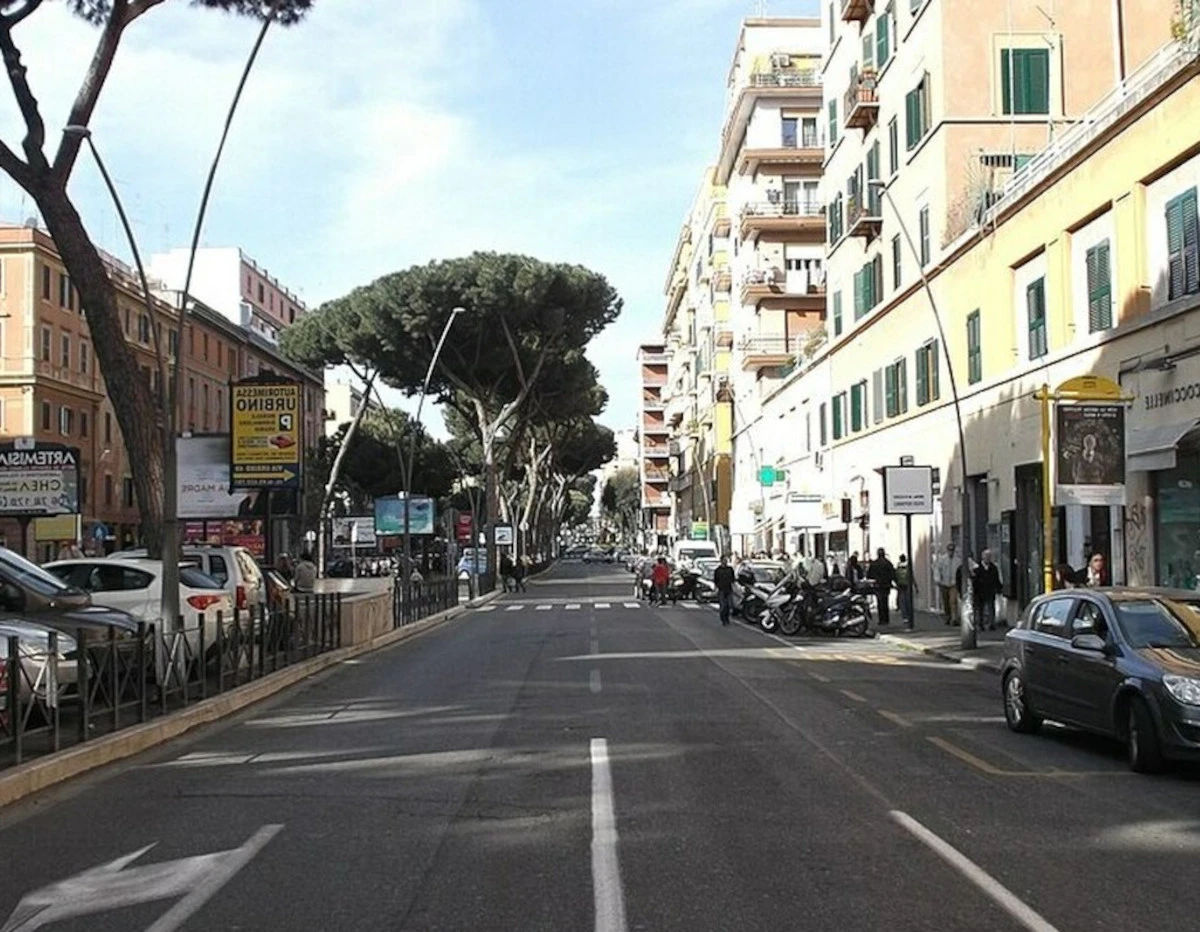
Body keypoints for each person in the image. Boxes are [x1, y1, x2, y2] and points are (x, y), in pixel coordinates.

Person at [972, 549, 1003, 631]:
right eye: (986, 557)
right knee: (980, 609)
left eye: (989, 557)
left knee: (991, 607)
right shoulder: (977, 568)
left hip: (990, 590)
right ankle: (980, 624)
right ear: (982, 557)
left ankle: (991, 624)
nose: (988, 558)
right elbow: (974, 580)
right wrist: (974, 589)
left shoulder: (994, 568)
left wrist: (999, 588)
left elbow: (996, 579)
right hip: (979, 591)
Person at [933, 542, 961, 626]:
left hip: (954, 583)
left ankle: (954, 618)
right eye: (949, 550)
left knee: (953, 601)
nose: (951, 552)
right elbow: (937, 569)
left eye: (952, 550)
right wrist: (937, 579)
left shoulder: (958, 560)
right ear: (947, 550)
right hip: (944, 583)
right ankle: (948, 616)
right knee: (946, 601)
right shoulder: (942, 559)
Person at [866, 548, 896, 626]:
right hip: (886, 585)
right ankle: (886, 618)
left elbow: (869, 575)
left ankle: (881, 619)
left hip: (878, 586)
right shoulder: (888, 563)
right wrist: (893, 581)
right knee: (885, 601)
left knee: (880, 602)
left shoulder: (875, 564)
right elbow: (893, 574)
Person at [713, 554, 735, 626]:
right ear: (721, 561)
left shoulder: (730, 569)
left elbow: (733, 579)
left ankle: (727, 618)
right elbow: (715, 580)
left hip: (729, 589)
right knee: (723, 605)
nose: (725, 561)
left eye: (726, 560)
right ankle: (723, 619)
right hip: (721, 589)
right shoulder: (718, 570)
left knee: (728, 605)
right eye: (724, 560)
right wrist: (716, 588)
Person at [895, 554, 915, 629]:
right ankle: (909, 616)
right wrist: (915, 586)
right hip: (907, 585)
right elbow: (911, 576)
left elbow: (896, 576)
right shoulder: (908, 567)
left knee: (902, 601)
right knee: (908, 601)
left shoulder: (898, 567)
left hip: (900, 586)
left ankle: (905, 617)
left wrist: (896, 584)